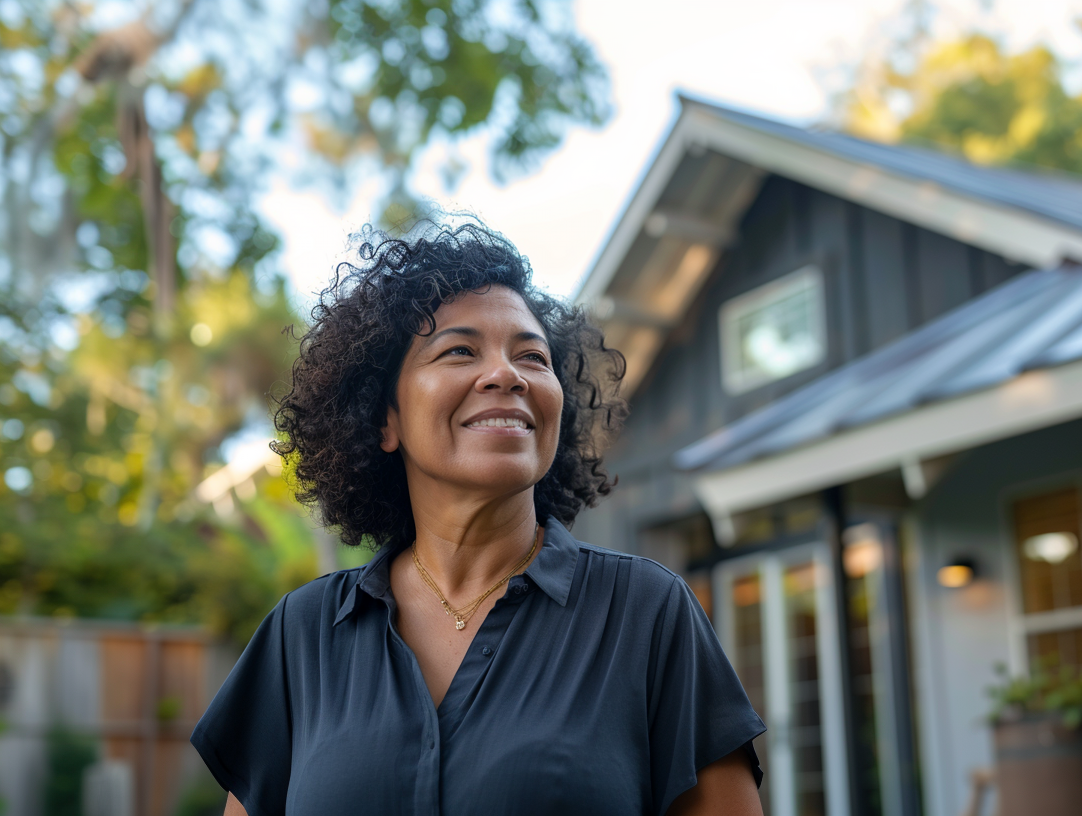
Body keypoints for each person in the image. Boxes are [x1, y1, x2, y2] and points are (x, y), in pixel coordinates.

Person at [189, 219, 766, 816]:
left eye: (532, 357)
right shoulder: (302, 635)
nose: (507, 375)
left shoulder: (646, 613)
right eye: (460, 350)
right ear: (384, 419)